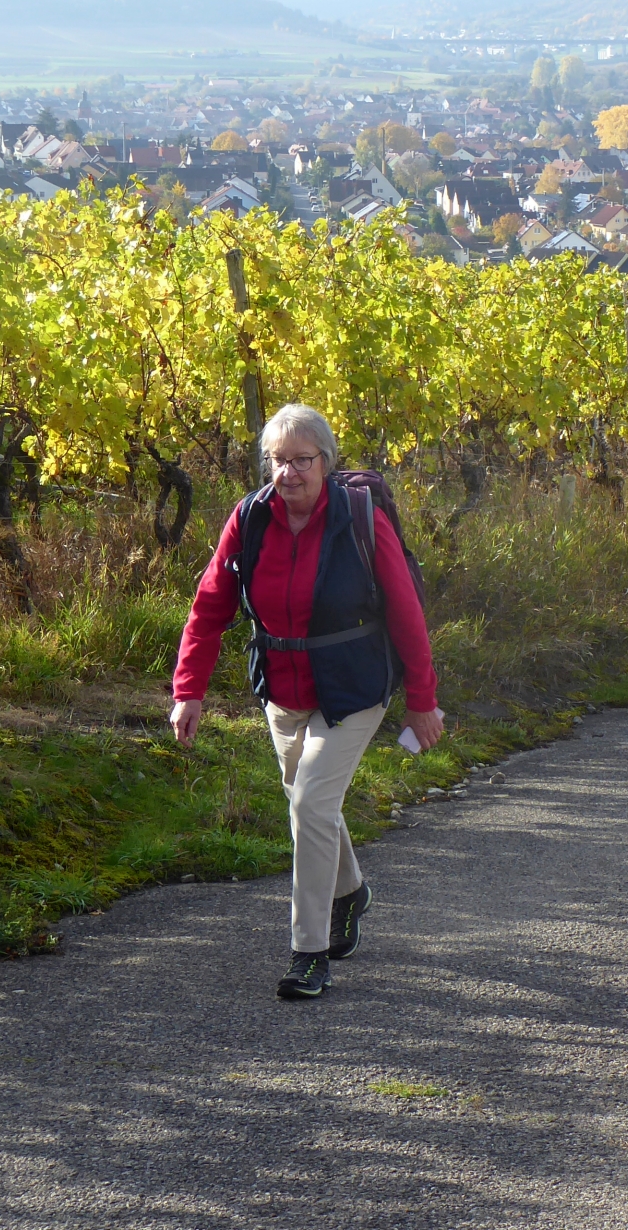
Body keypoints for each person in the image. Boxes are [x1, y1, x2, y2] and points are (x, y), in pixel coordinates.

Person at [170, 404, 443, 1000]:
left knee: (312, 805)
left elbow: (405, 612)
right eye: (277, 460)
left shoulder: (361, 520)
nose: (288, 472)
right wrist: (188, 690)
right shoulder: (251, 518)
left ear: (326, 462)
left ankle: (308, 952)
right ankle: (351, 893)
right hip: (283, 688)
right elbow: (209, 605)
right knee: (309, 805)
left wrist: (422, 701)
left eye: (301, 460)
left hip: (353, 687)